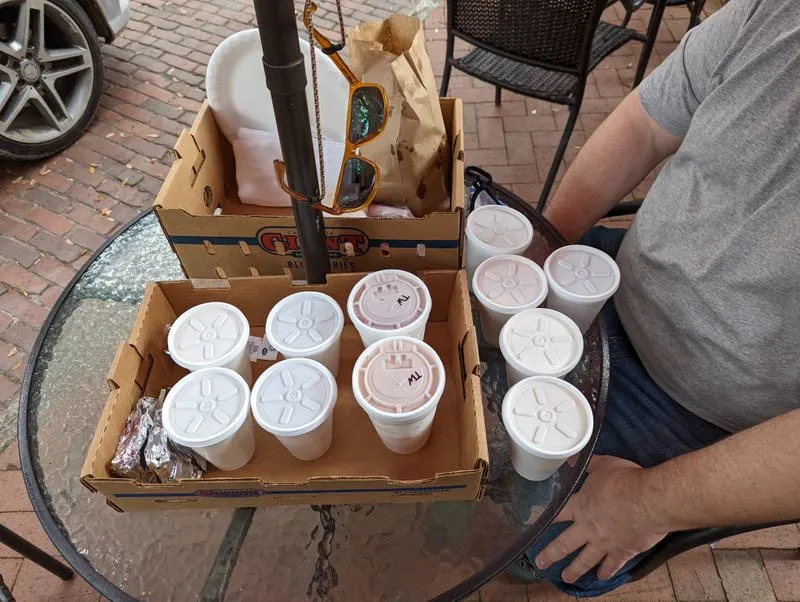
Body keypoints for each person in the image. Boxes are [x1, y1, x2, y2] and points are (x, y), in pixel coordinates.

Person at [508, 0, 800, 596]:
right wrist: (548, 243)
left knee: (526, 535)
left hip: (699, 406)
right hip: (616, 278)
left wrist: (642, 505)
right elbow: (644, 124)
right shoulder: (775, 14)